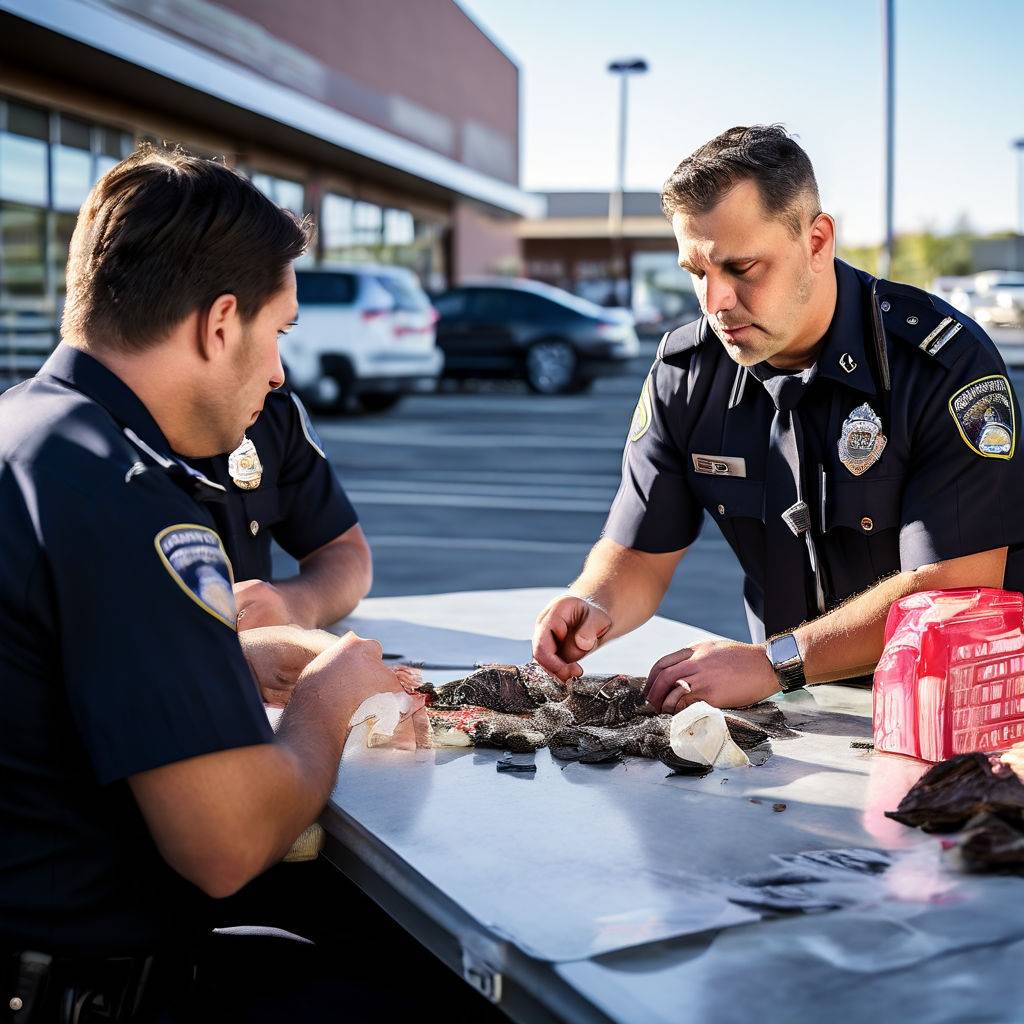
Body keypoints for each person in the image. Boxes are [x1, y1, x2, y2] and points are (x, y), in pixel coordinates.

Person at [0, 146, 421, 1021]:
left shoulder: (33, 436)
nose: (276, 374)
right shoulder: (127, 494)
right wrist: (329, 696)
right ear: (219, 323)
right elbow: (224, 842)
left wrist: (234, 656)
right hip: (92, 983)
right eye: (280, 333)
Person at [533, 124, 1024, 715]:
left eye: (742, 267)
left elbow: (952, 589)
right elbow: (639, 552)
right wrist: (594, 604)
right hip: (794, 711)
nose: (715, 301)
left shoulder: (941, 365)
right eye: (696, 272)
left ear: (817, 240)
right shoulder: (686, 376)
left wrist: (777, 661)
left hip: (960, 709)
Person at [181, 385, 373, 631]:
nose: (278, 374)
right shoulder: (118, 433)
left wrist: (292, 605)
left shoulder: (271, 409)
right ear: (209, 344)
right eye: (262, 344)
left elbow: (345, 551)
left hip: (247, 664)